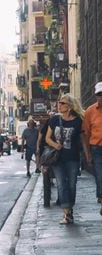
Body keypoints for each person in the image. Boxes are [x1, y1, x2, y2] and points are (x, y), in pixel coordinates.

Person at [45, 94, 85, 224]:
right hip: (58, 159)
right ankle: (66, 213)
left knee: (72, 185)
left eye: (62, 103)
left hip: (73, 158)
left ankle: (70, 209)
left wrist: (87, 154)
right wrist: (55, 145)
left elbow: (82, 140)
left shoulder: (78, 121)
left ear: (69, 106)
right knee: (62, 184)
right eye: (59, 102)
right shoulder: (55, 120)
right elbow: (47, 138)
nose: (59, 105)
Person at [82, 81, 102, 215]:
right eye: (99, 94)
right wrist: (87, 154)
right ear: (96, 96)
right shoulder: (90, 111)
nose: (101, 97)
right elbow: (85, 134)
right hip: (97, 149)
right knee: (100, 176)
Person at [37, 111, 57, 207]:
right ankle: (49, 199)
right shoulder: (54, 125)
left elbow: (40, 139)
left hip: (46, 154)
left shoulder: (45, 126)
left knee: (46, 177)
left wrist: (38, 149)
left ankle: (47, 200)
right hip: (50, 153)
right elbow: (40, 139)